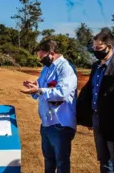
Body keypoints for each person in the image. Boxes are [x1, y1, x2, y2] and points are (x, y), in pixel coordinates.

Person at [76, 28, 114, 173]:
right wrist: (88, 117)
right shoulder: (96, 66)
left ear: (110, 47)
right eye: (94, 47)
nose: (96, 50)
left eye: (99, 48)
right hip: (98, 120)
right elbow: (90, 91)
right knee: (104, 161)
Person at [21, 39, 77, 173]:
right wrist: (34, 88)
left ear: (51, 53)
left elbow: (62, 93)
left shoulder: (66, 68)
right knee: (48, 161)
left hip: (60, 124)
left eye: (42, 57)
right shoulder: (46, 69)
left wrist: (39, 90)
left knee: (62, 162)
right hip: (46, 124)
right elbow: (40, 89)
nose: (40, 61)